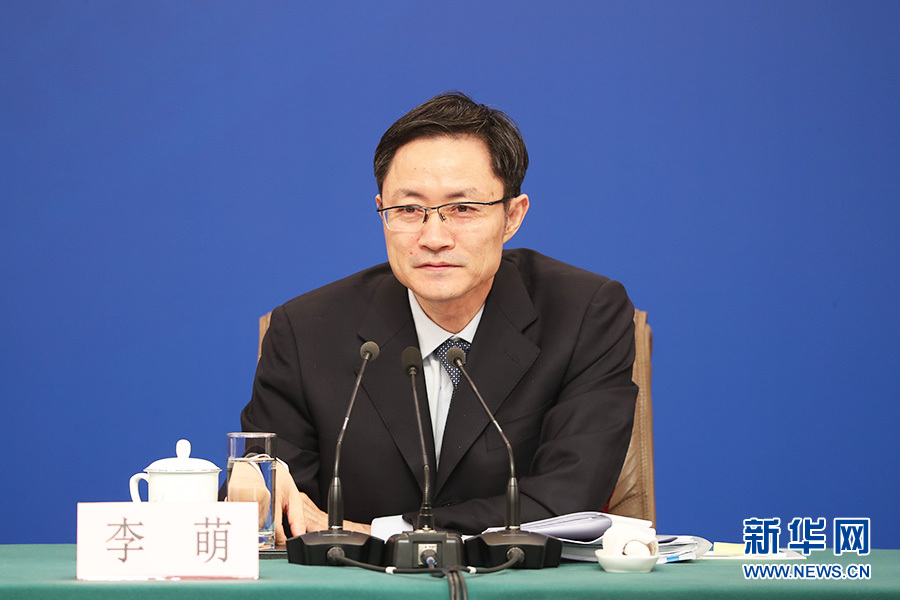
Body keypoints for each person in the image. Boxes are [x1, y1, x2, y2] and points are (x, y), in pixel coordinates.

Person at [240, 91, 638, 544]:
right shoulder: (306, 330)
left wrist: (381, 533)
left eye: (462, 209)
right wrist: (252, 490)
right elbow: (279, 505)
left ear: (512, 216)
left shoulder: (584, 314)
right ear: (381, 211)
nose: (433, 237)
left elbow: (566, 502)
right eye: (409, 210)